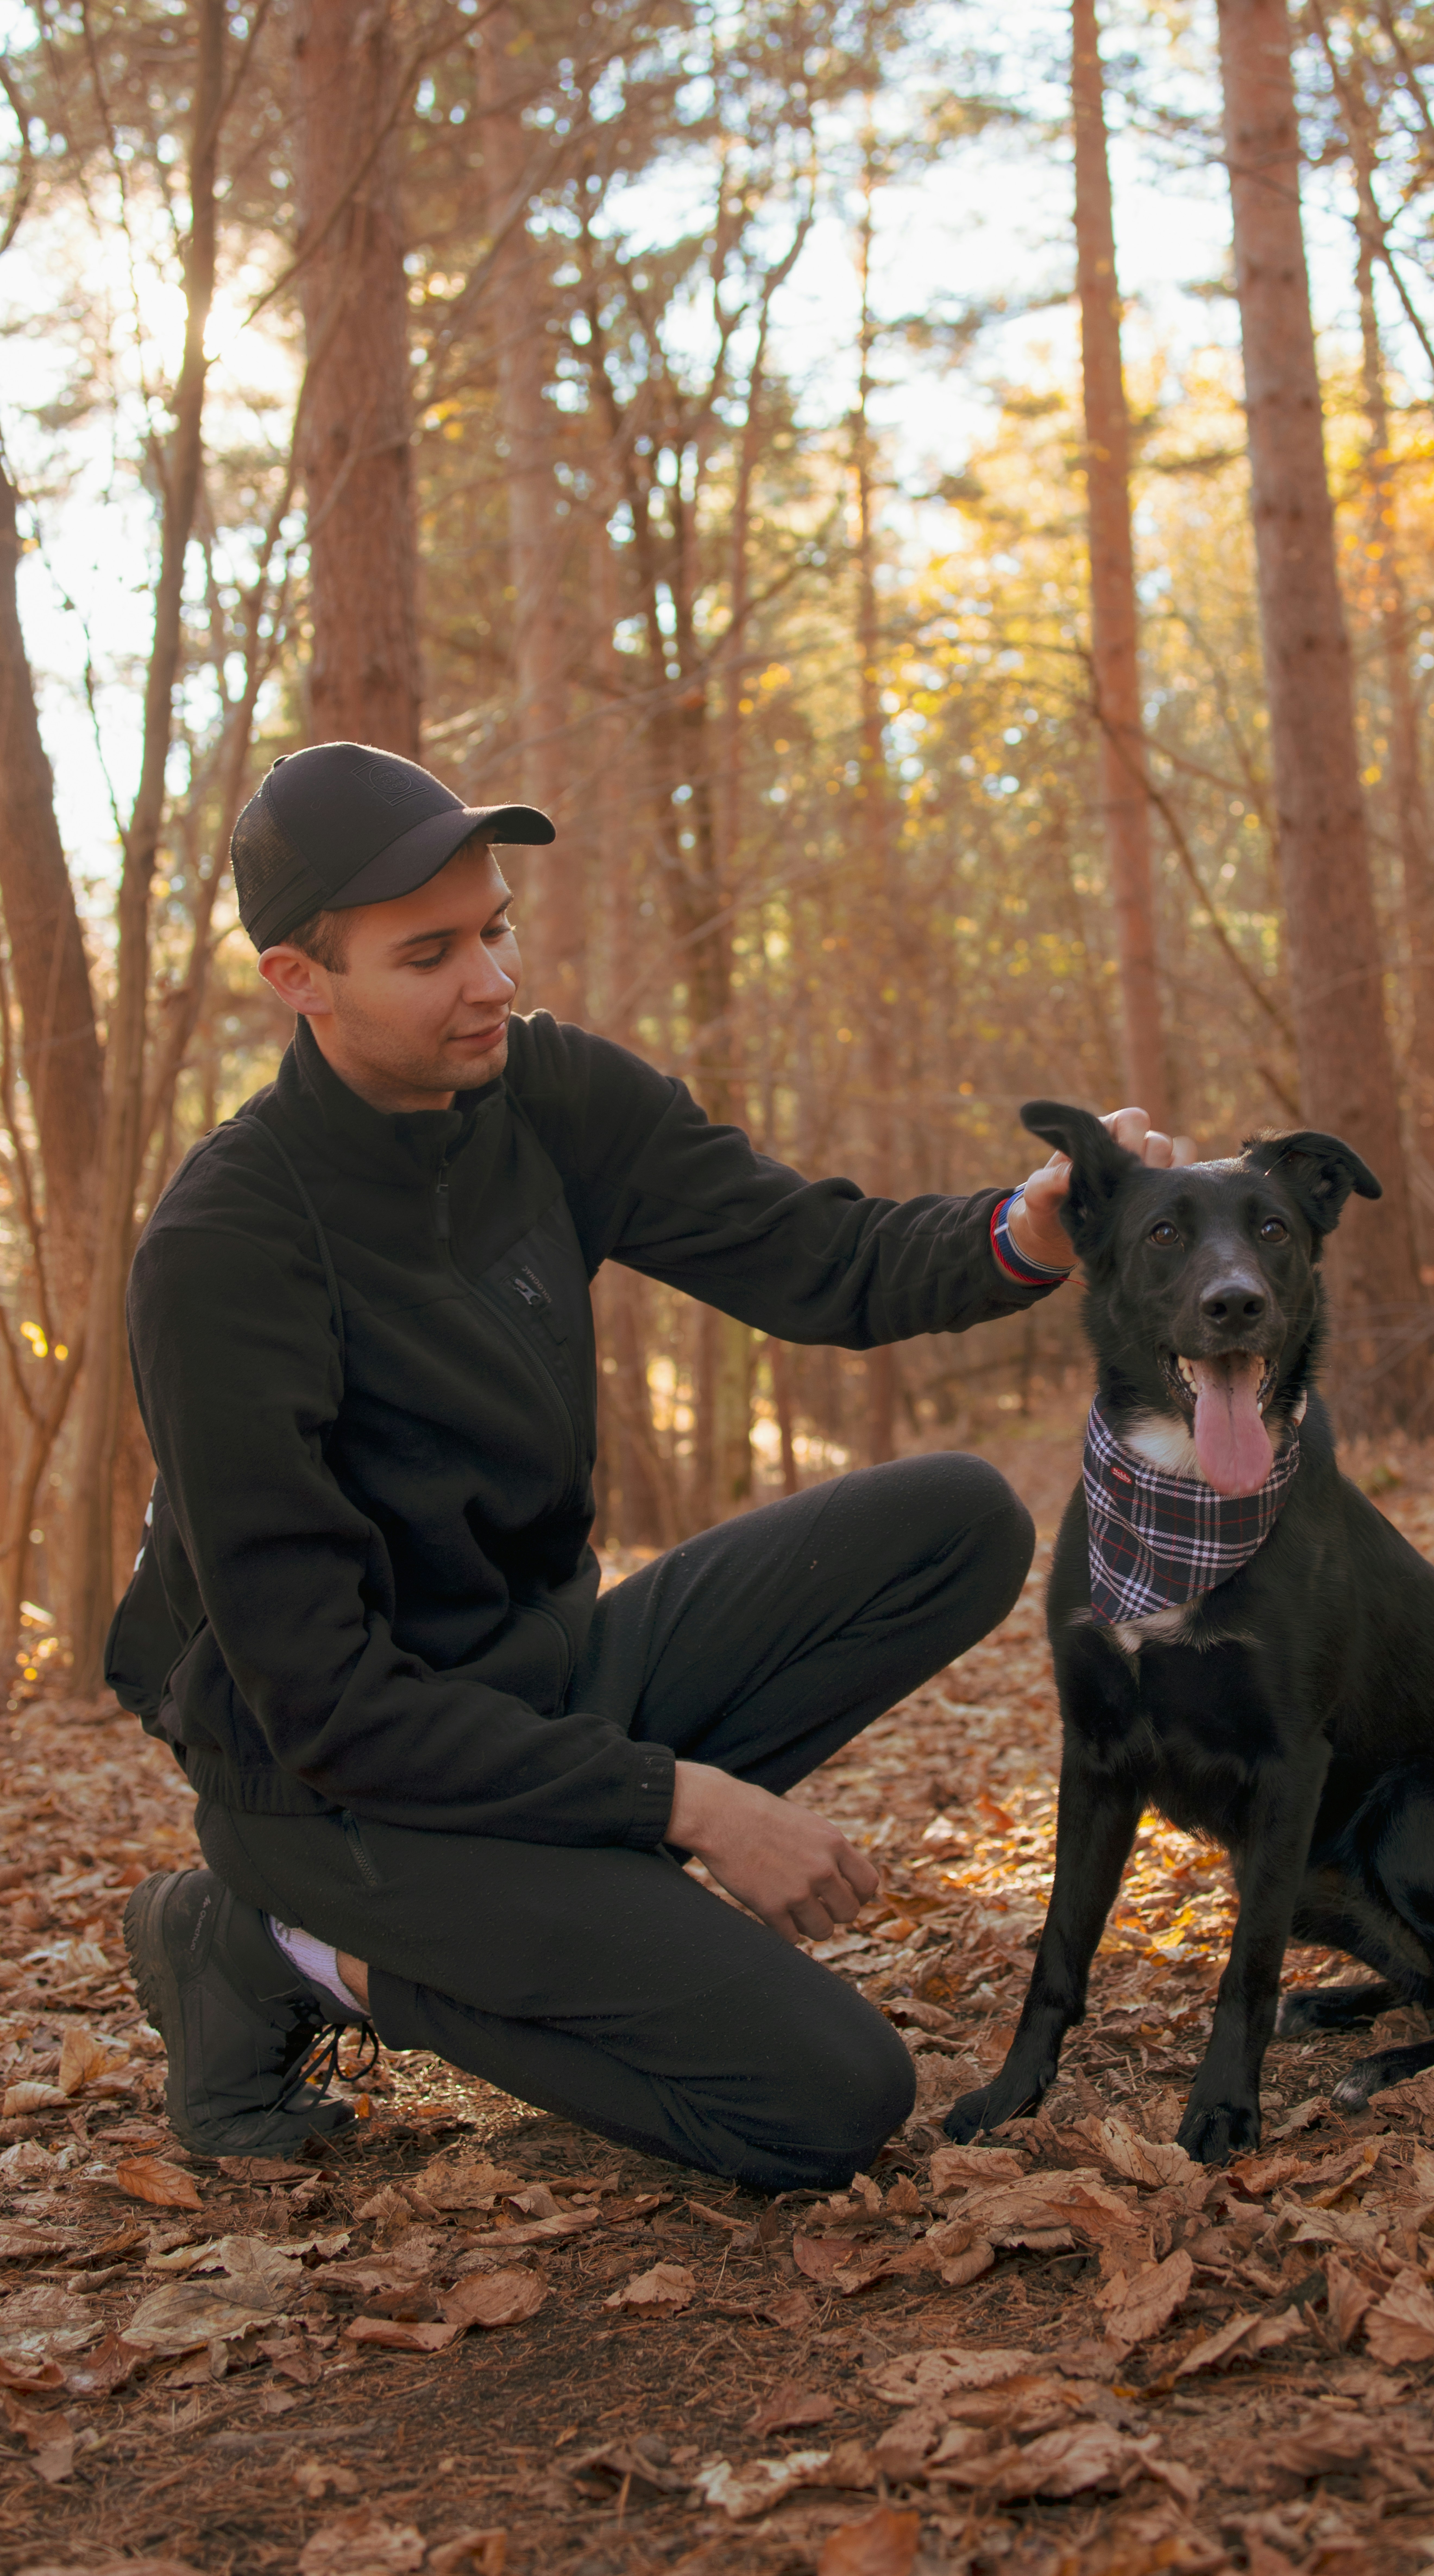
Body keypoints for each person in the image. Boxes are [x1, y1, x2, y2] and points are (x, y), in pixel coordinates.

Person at [110, 741, 1187, 2191]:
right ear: (299, 983)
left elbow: (820, 1259)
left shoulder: (545, 1090)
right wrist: (684, 1805)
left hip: (539, 1686)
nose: (489, 980)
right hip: (341, 1794)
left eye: (493, 928)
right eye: (427, 955)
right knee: (827, 2102)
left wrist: (1029, 1229)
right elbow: (324, 1706)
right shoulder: (227, 1252)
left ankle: (556, 1902)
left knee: (955, 1521)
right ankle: (294, 1948)